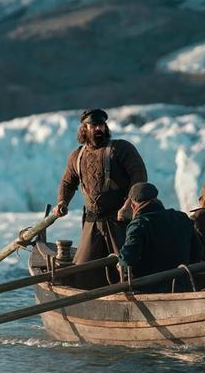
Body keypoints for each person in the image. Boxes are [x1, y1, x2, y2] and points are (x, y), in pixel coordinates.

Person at [54, 108, 147, 288]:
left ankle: (133, 296)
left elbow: (139, 176)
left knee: (129, 269)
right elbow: (67, 183)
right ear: (84, 129)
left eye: (101, 125)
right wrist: (62, 201)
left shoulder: (121, 149)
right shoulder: (77, 156)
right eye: (93, 126)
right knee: (82, 272)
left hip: (120, 221)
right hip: (92, 222)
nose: (99, 129)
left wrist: (128, 204)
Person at [117, 182, 204, 293]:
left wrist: (120, 264)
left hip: (149, 290)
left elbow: (127, 261)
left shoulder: (138, 225)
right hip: (182, 286)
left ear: (133, 206)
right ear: (157, 199)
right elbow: (197, 252)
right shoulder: (181, 217)